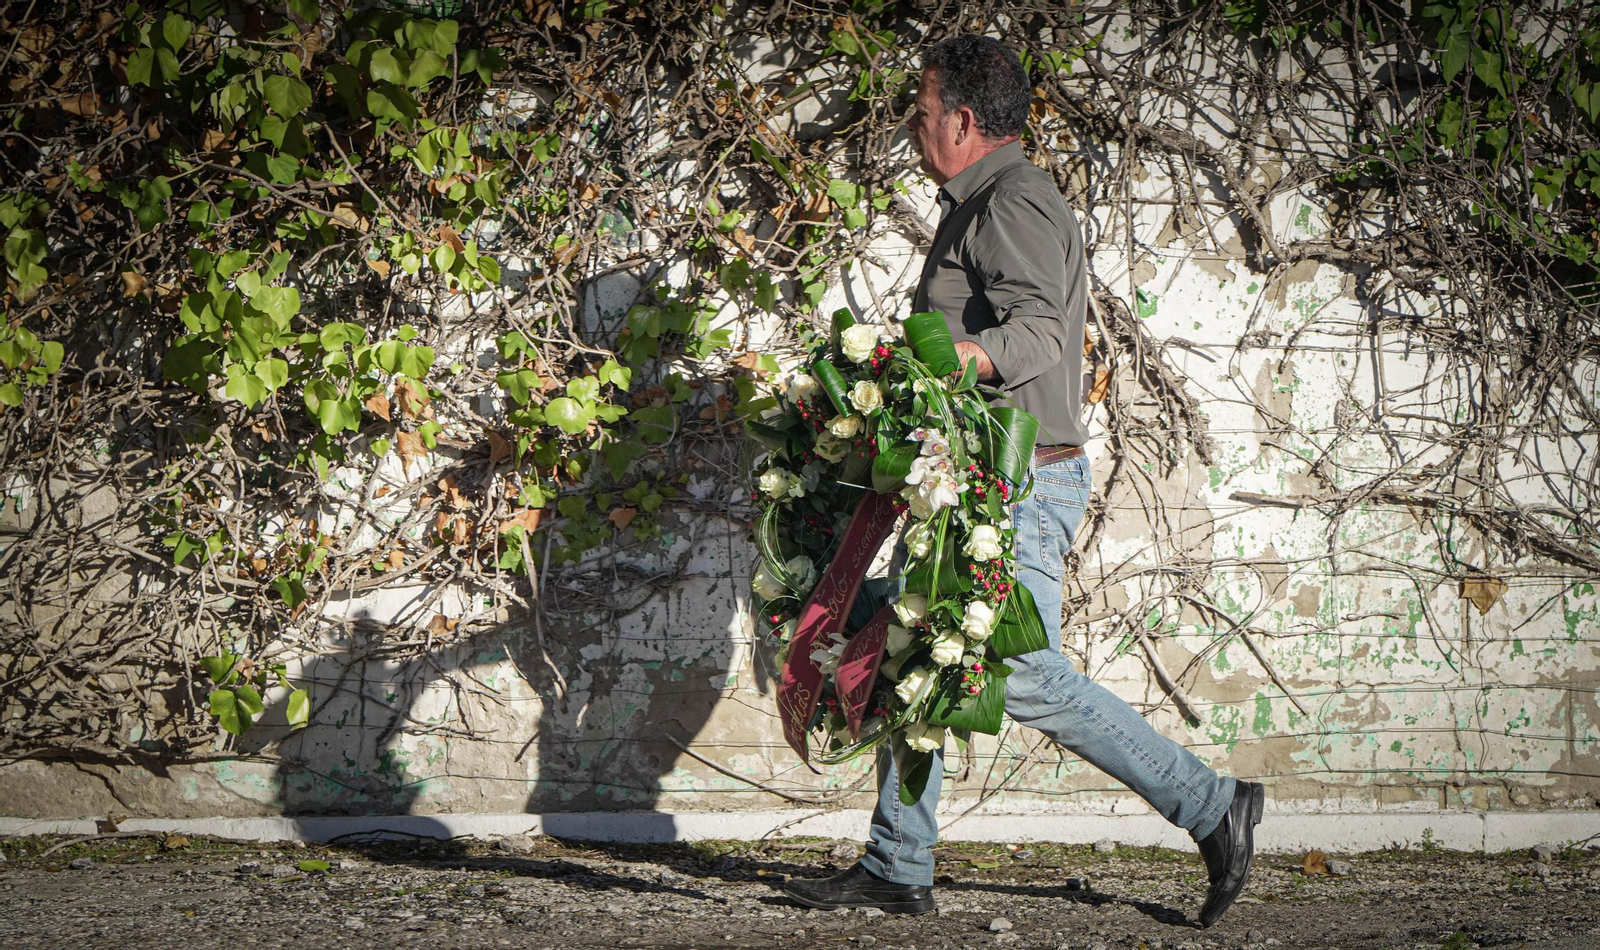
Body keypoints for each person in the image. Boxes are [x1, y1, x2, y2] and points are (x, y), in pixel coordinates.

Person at [781, 35, 1265, 929]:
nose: (915, 128)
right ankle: (898, 861)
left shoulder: (1012, 201)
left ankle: (1211, 806)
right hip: (979, 481)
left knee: (1011, 664)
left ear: (963, 120)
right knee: (910, 643)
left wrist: (940, 368)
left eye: (923, 113)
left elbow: (1038, 334)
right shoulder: (981, 200)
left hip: (1023, 485)